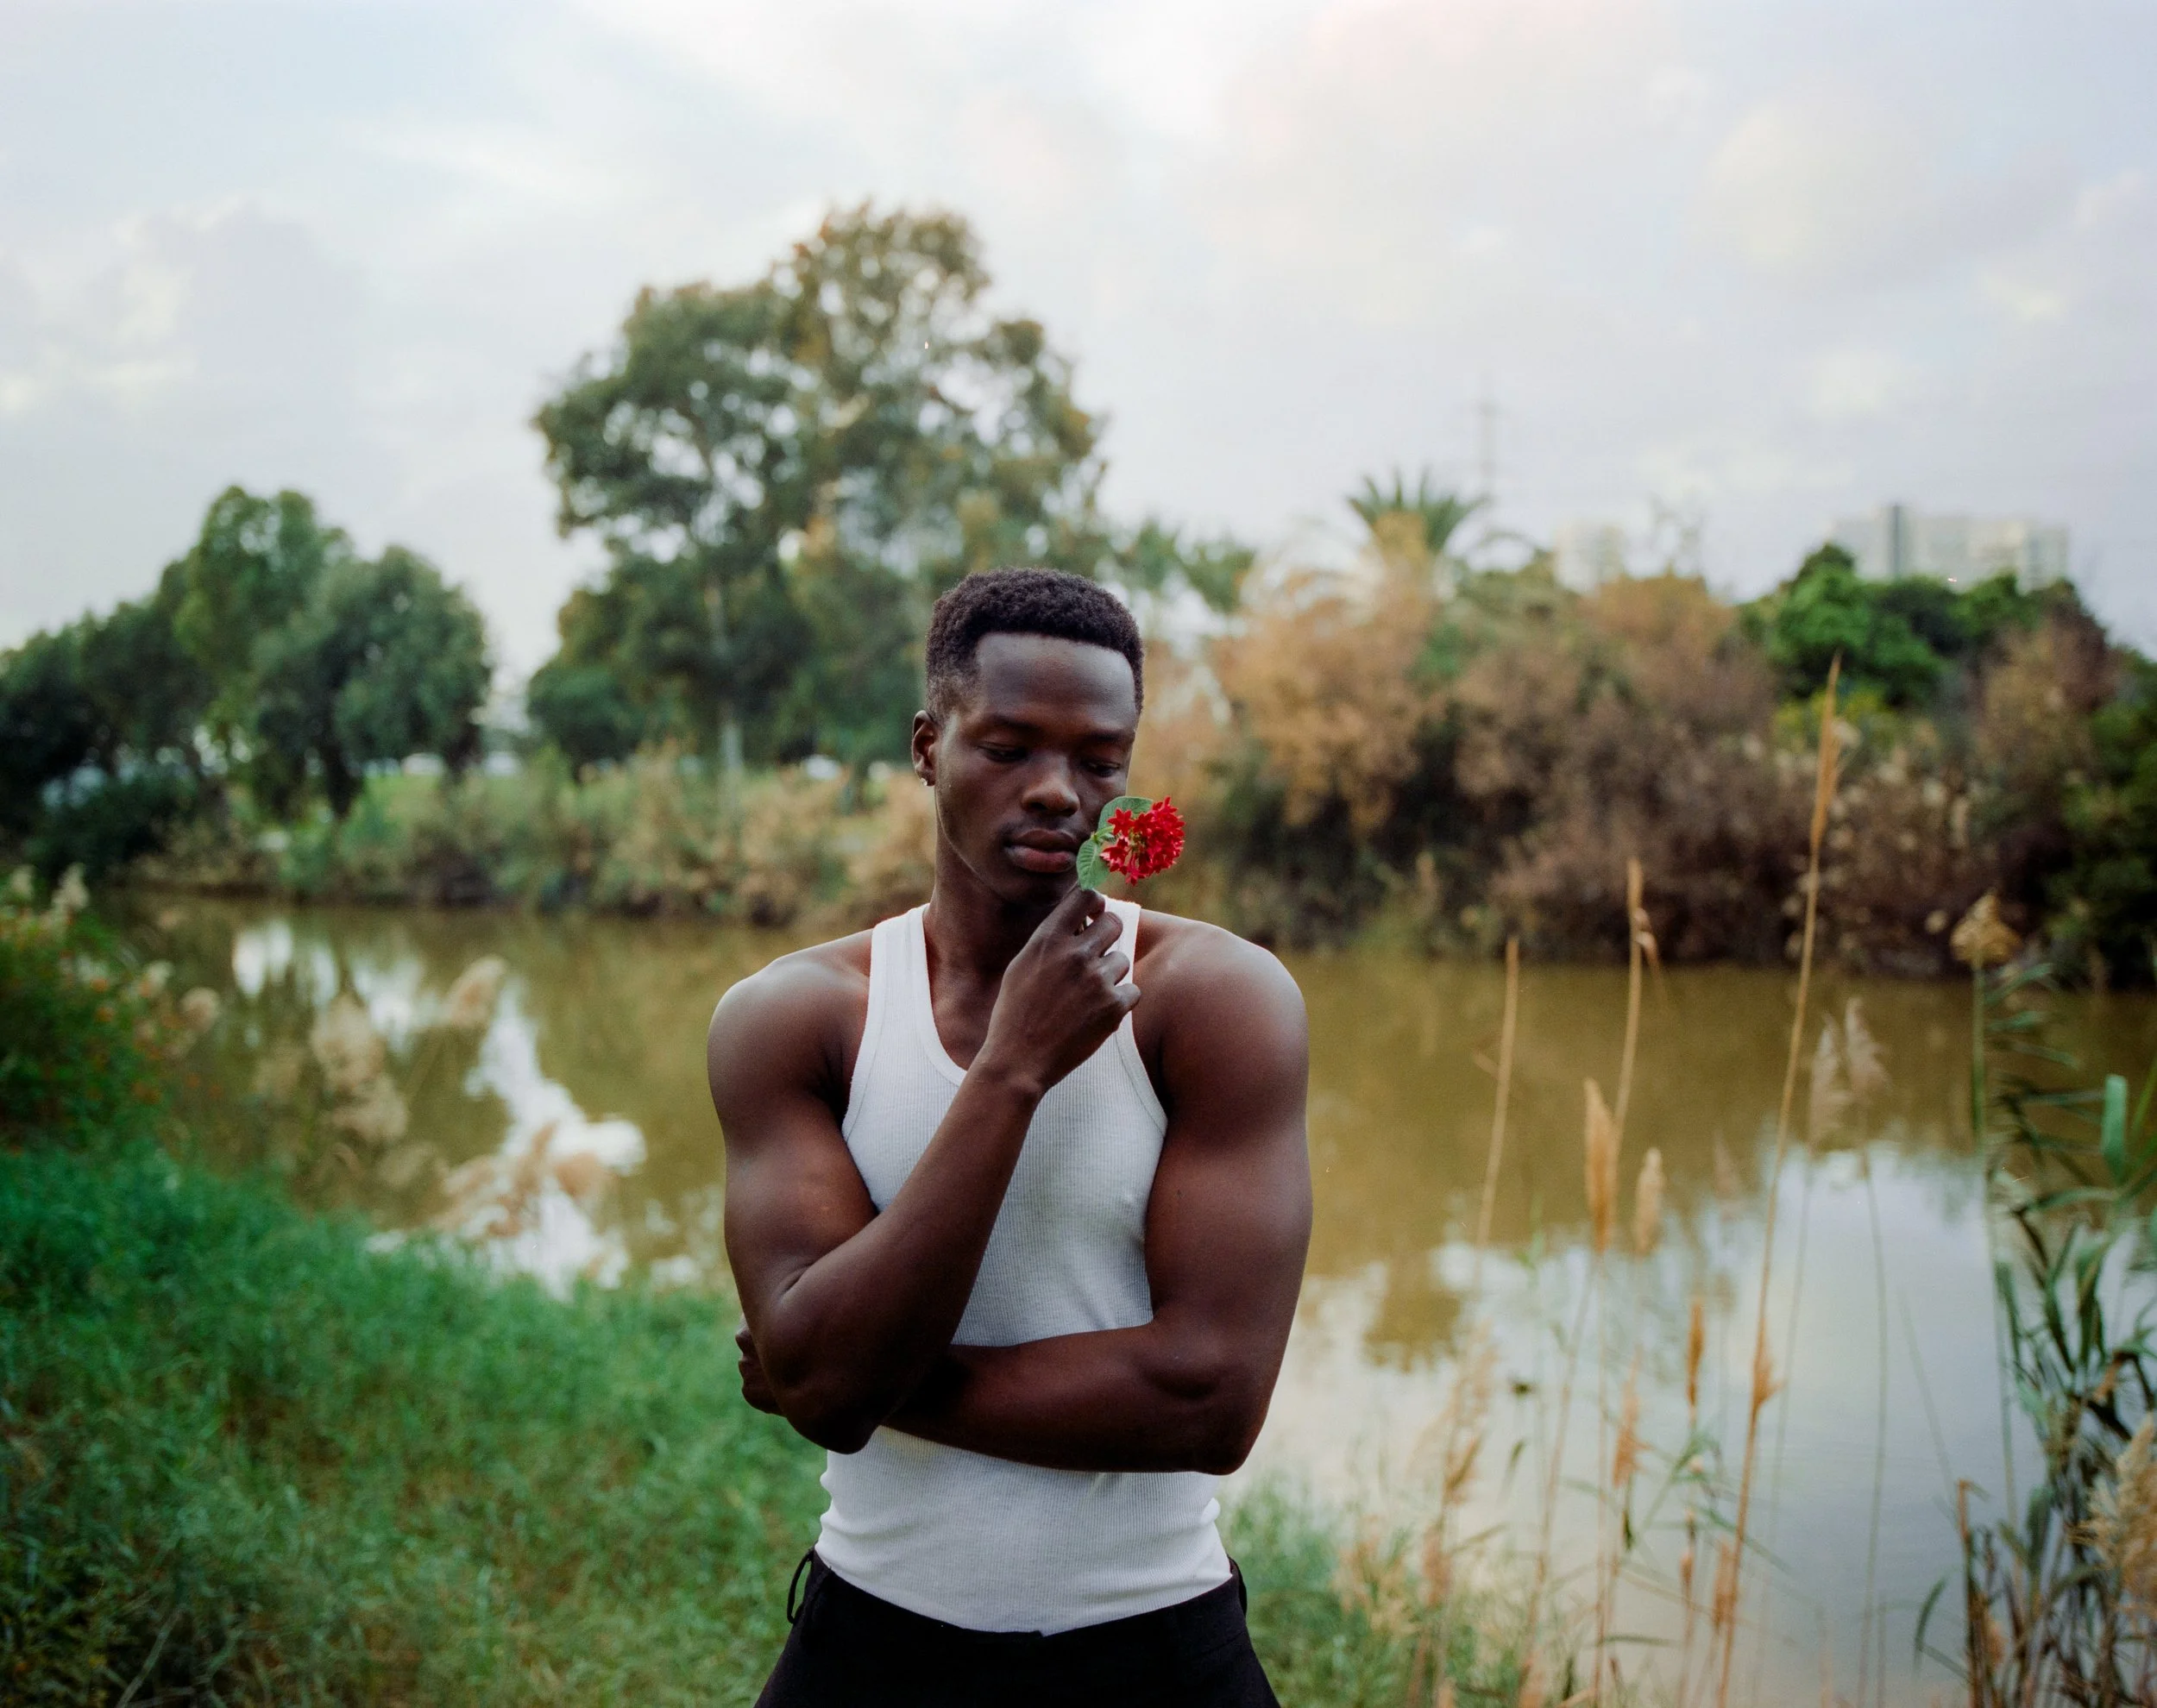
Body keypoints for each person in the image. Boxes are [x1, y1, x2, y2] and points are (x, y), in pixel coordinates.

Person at [707, 567, 1311, 1706]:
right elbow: (822, 1378)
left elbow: (1210, 1399)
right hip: (870, 1645)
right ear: (930, 746)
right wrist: (1012, 1069)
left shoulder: (1217, 1000)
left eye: (1098, 760)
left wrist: (852, 1377)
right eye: (1009, 748)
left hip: (1155, 1649)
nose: (1057, 792)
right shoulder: (797, 1018)